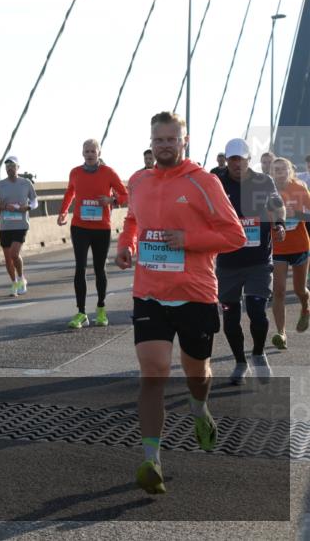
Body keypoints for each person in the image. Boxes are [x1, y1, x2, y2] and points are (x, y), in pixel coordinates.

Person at [117, 111, 246, 495]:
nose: (165, 145)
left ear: (184, 142)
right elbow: (132, 221)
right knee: (153, 371)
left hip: (195, 293)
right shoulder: (138, 180)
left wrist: (185, 239)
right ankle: (151, 459)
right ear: (151, 141)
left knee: (197, 372)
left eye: (172, 139)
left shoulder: (203, 182)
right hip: (150, 292)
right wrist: (127, 245)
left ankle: (198, 407)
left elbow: (234, 234)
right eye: (159, 139)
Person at [215, 138, 286, 384]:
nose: (236, 164)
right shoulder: (217, 182)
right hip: (228, 263)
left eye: (241, 159)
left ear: (248, 160)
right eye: (232, 159)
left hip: (258, 260)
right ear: (227, 160)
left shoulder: (263, 182)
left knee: (257, 310)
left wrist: (279, 224)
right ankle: (240, 362)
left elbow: (278, 205)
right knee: (230, 317)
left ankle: (258, 353)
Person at [58, 139, 128, 328]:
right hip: (79, 227)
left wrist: (111, 200)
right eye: (86, 151)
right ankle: (81, 312)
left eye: (92, 151)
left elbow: (125, 195)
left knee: (99, 269)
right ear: (82, 153)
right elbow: (69, 193)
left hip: (101, 228)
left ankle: (101, 309)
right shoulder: (75, 172)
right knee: (79, 268)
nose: (89, 154)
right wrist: (63, 212)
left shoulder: (108, 172)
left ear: (99, 153)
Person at [268, 157, 310, 346]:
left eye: (283, 169)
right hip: (278, 247)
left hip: (299, 244)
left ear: (290, 171)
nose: (279, 172)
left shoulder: (300, 188)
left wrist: (296, 214)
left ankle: (305, 306)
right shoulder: (267, 191)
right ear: (271, 172)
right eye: (275, 169)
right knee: (279, 291)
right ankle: (281, 334)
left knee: (300, 289)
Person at [0, 156, 37, 297]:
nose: (10, 168)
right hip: (5, 225)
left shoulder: (26, 183)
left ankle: (22, 278)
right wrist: (4, 206)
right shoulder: (0, 185)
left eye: (12, 166)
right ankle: (14, 282)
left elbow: (35, 201)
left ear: (18, 168)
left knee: (14, 254)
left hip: (21, 224)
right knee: (8, 258)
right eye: (7, 166)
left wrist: (28, 207)